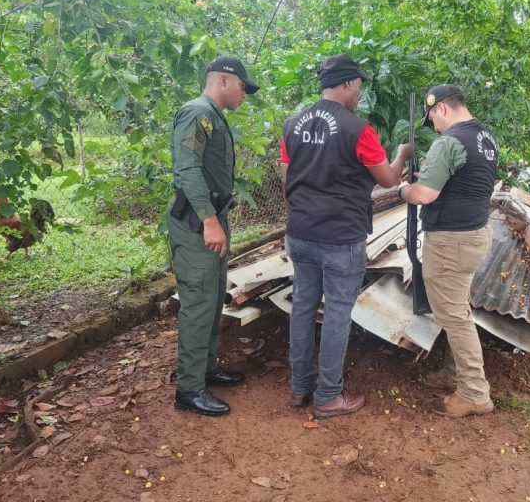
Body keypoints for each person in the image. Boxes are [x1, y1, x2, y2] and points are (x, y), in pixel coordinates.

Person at [280, 53, 412, 419]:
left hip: (301, 232)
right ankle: (327, 397)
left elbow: (286, 178)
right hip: (341, 236)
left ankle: (298, 388)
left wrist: (304, 208)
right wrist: (401, 155)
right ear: (347, 84)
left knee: (303, 306)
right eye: (358, 86)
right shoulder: (358, 129)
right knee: (337, 311)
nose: (359, 94)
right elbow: (387, 180)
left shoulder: (293, 124)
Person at [397, 84, 498, 418]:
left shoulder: (450, 141)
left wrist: (404, 190)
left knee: (454, 317)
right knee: (459, 310)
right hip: (474, 234)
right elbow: (463, 180)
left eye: (433, 120)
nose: (434, 127)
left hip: (451, 242)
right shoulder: (484, 137)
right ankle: (454, 374)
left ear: (440, 108)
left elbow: (424, 195)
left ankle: (474, 393)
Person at [168, 56, 260, 416]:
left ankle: (205, 369)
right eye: (242, 87)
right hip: (196, 222)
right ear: (223, 80)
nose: (244, 95)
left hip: (210, 218)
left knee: (213, 296)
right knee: (198, 303)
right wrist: (208, 219)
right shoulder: (196, 112)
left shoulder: (211, 114)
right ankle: (189, 390)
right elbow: (186, 168)